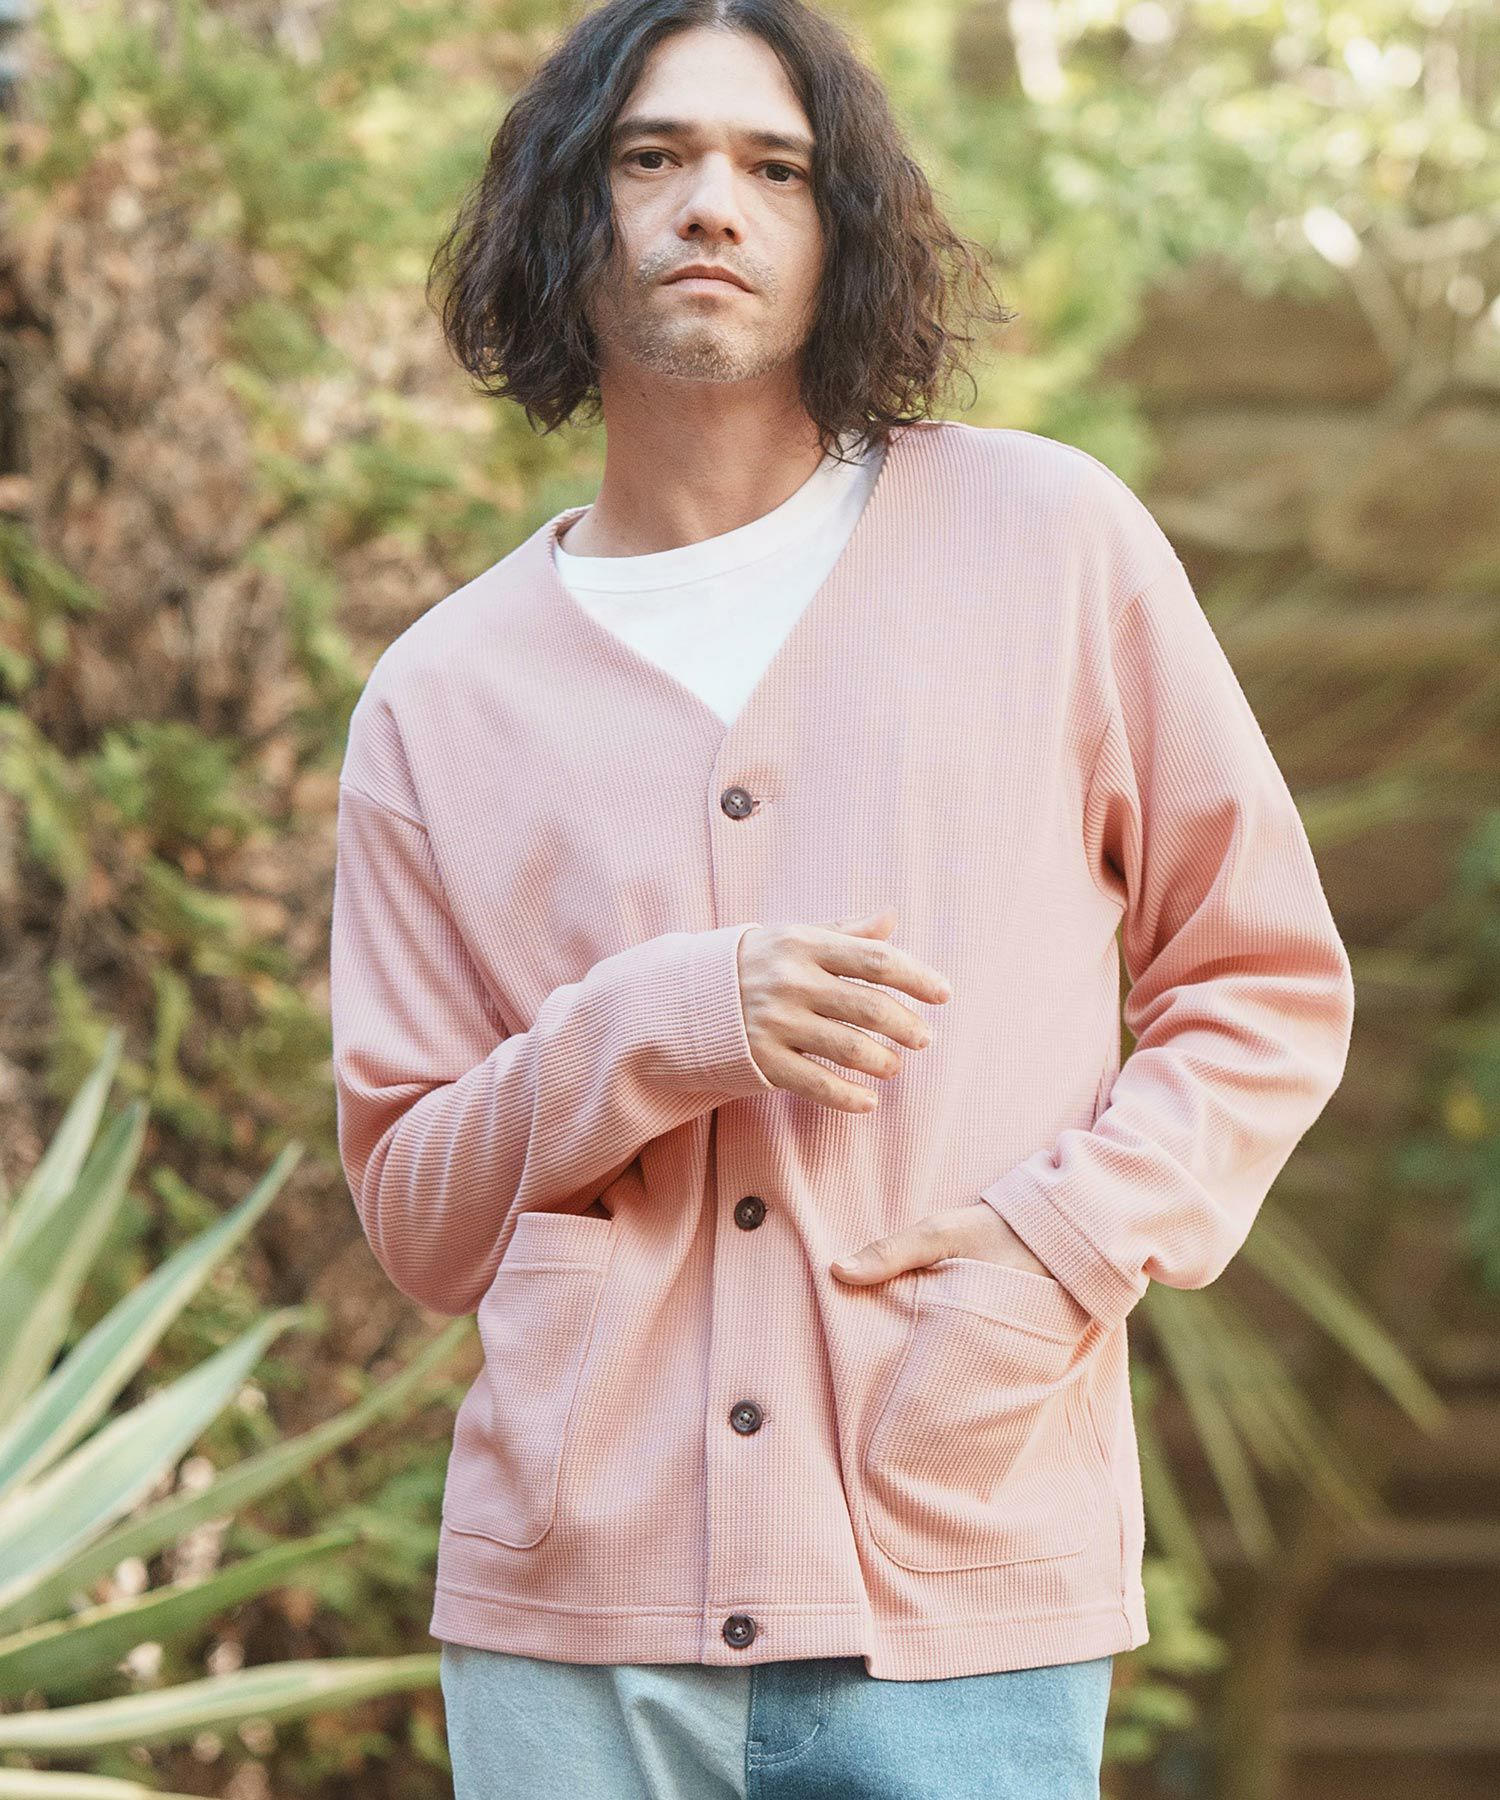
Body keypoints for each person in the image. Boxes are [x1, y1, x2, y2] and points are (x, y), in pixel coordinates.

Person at [327, 1, 1356, 1795]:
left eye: (776, 167)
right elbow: (417, 1211)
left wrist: (1054, 1256)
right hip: (584, 1638)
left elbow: (1262, 980)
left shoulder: (1046, 544)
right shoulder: (442, 694)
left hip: (964, 1582)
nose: (710, 204)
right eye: (652, 156)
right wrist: (654, 1023)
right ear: (567, 214)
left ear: (841, 225)